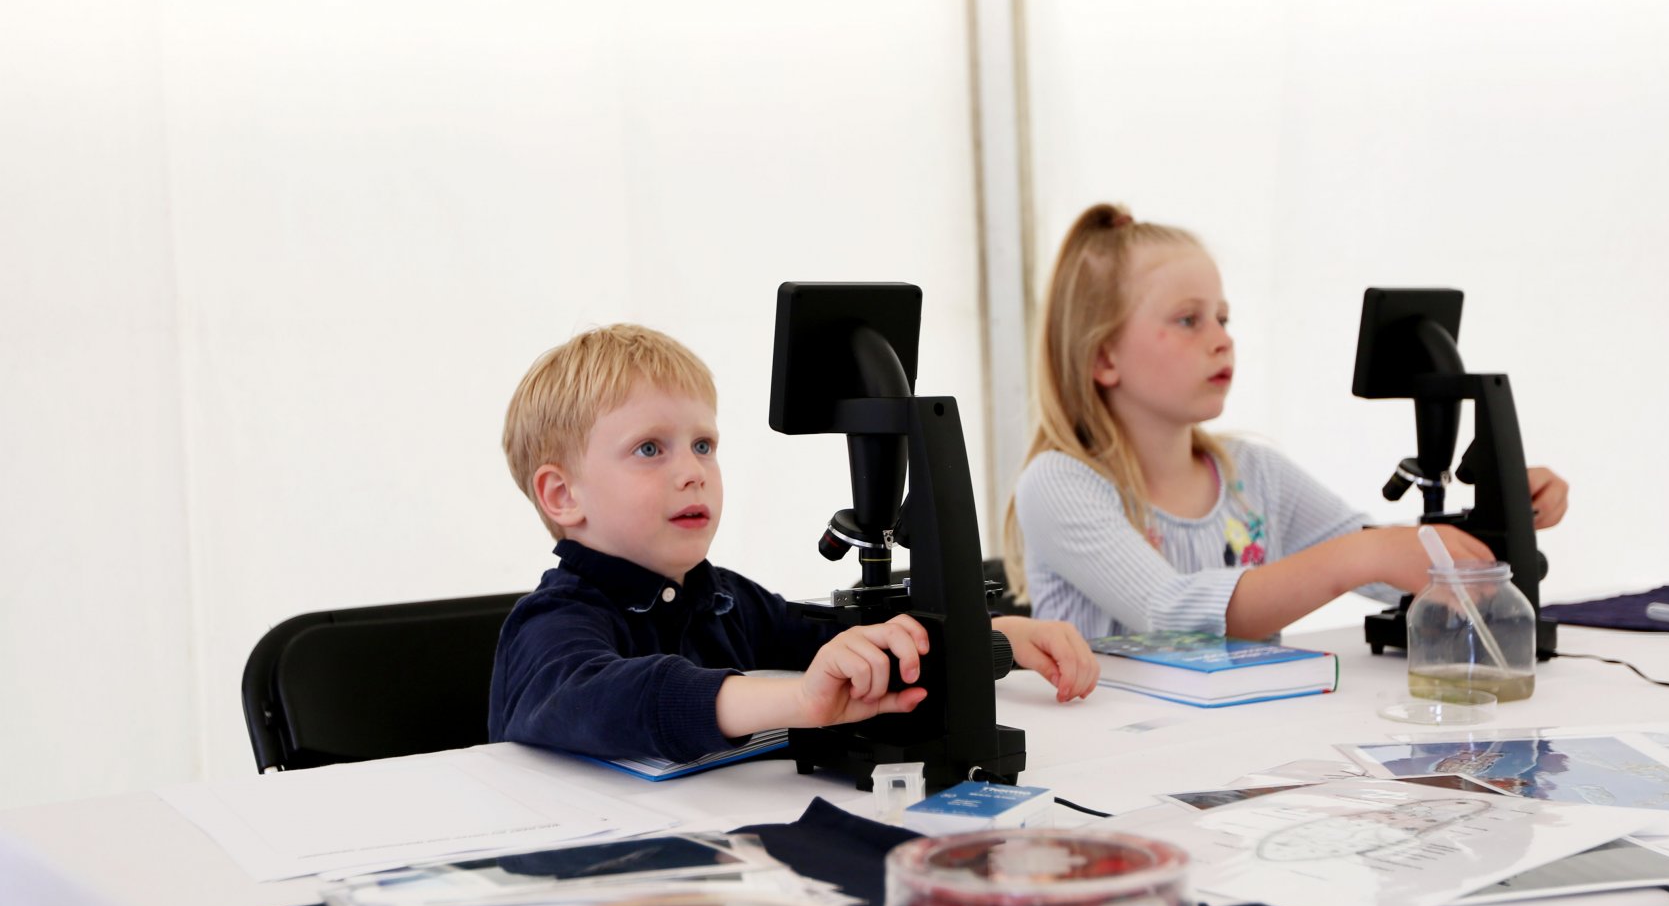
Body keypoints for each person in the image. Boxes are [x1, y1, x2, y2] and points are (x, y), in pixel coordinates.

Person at [490, 323, 1099, 763]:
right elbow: (606, 697)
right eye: (650, 449)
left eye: (703, 445)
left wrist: (990, 638)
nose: (692, 471)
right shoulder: (552, 622)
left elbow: (838, 651)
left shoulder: (724, 599)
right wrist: (796, 700)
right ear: (562, 495)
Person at [1006, 204, 1570, 640]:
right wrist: (1363, 554)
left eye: (1223, 318)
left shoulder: (1255, 475)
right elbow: (1170, 611)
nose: (1222, 339)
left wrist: (1505, 513)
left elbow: (1388, 567)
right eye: (1188, 320)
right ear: (1103, 357)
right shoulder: (1059, 484)